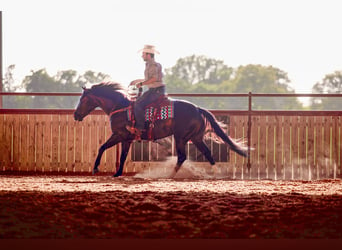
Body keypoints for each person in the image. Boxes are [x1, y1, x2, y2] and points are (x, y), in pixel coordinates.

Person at [127, 45, 166, 136]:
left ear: (149, 55)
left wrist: (141, 84)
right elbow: (148, 79)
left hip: (156, 91)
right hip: (155, 90)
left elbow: (153, 79)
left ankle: (140, 128)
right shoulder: (150, 64)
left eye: (143, 54)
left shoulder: (153, 65)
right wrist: (136, 81)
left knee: (138, 103)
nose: (142, 56)